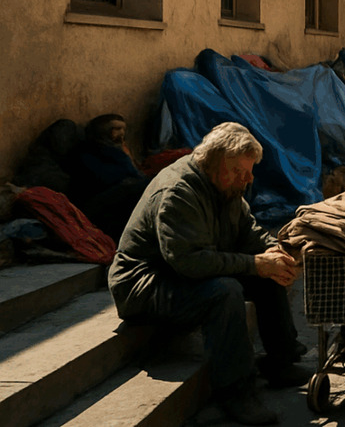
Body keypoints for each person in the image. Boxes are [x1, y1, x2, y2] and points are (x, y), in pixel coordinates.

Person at [107, 123, 306, 426]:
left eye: (250, 171)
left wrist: (279, 254)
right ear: (216, 163)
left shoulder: (224, 185)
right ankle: (236, 392)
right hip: (142, 286)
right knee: (225, 292)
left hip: (179, 273)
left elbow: (248, 231)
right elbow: (189, 262)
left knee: (269, 270)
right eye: (241, 171)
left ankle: (281, 360)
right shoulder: (178, 192)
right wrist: (255, 264)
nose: (248, 178)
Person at [69, 113, 149, 241]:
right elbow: (107, 179)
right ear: (103, 132)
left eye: (123, 129)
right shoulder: (89, 152)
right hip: (97, 206)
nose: (121, 133)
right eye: (116, 129)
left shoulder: (117, 151)